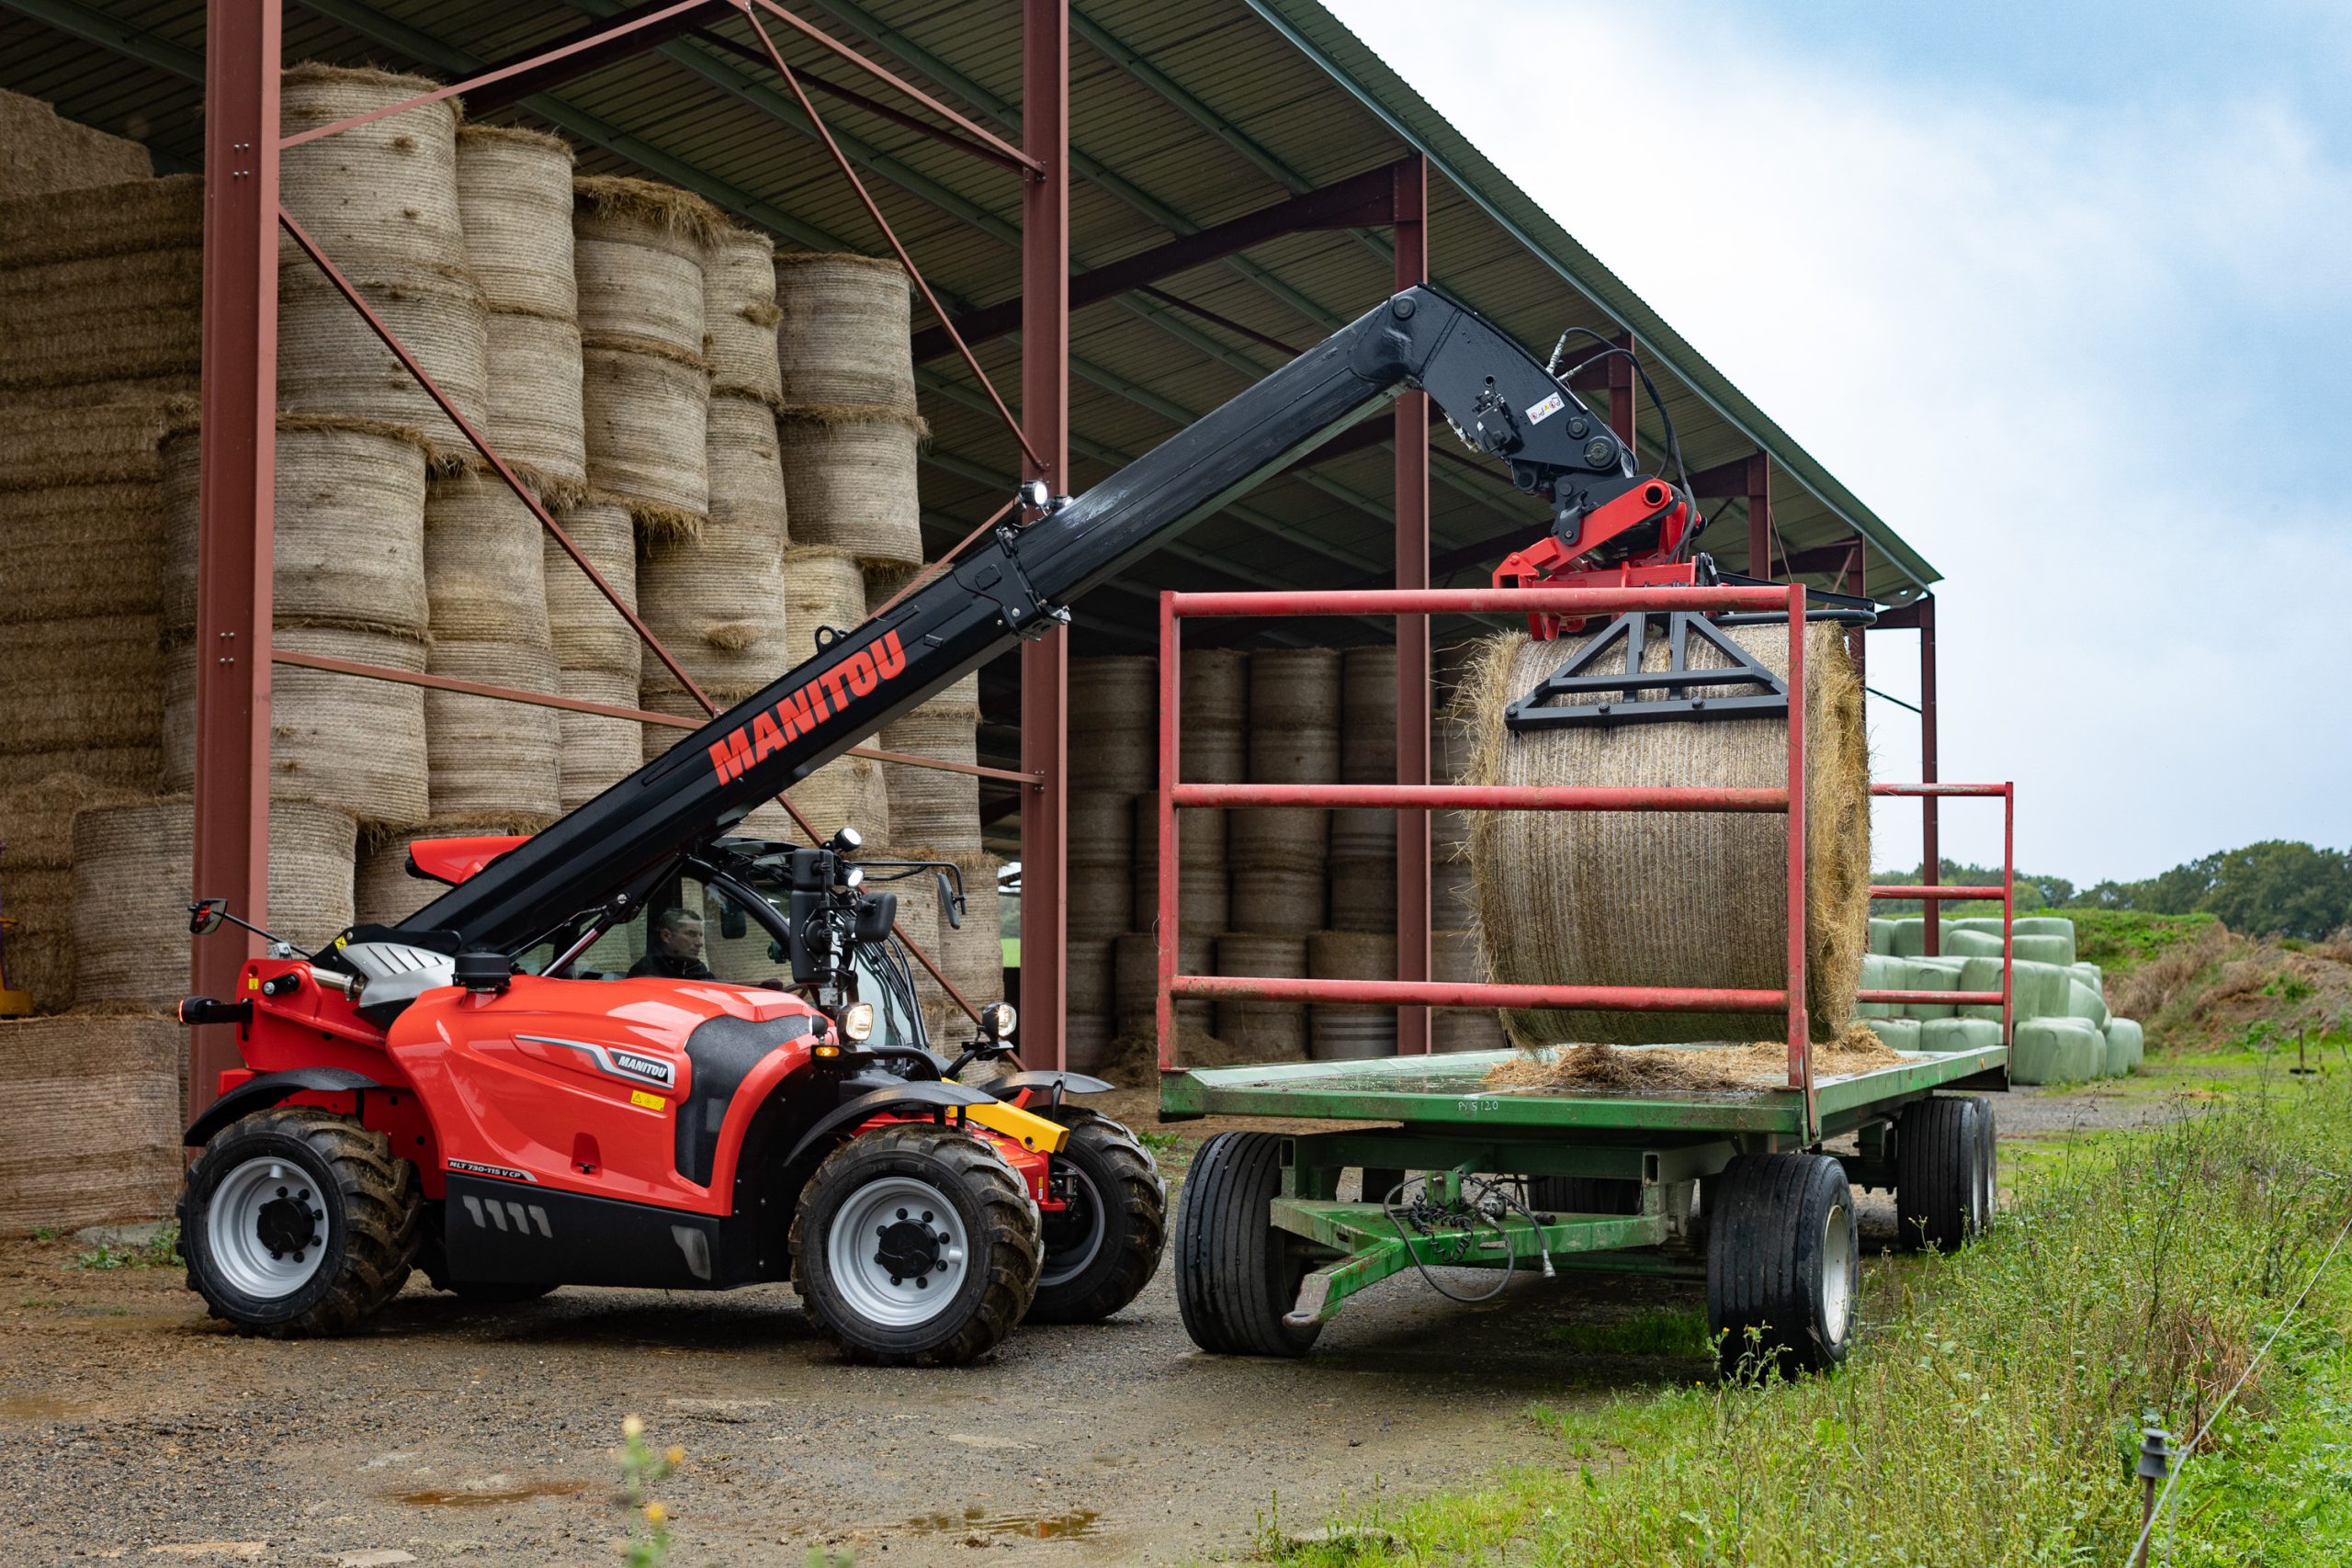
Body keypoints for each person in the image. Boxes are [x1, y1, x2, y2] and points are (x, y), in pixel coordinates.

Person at [629, 905, 713, 980]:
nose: (700, 943)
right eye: (691, 934)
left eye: (700, 935)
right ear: (666, 936)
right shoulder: (645, 972)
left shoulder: (699, 969)